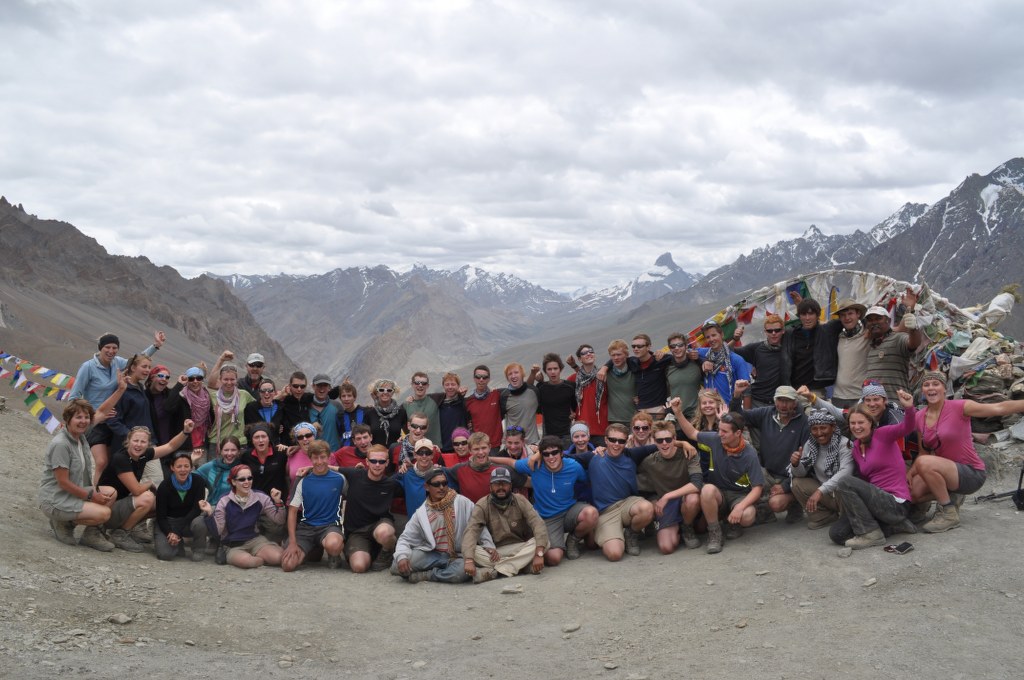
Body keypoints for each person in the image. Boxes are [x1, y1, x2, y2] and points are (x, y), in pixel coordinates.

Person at [907, 371, 1017, 533]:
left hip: (971, 473)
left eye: (936, 384)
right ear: (922, 390)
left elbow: (998, 407)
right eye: (926, 385)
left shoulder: (960, 407)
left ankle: (948, 513)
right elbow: (923, 452)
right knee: (913, 493)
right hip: (944, 471)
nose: (931, 388)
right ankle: (949, 494)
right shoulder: (919, 416)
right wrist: (911, 473)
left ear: (945, 389)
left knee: (924, 463)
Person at [828, 389, 919, 549]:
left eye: (861, 422)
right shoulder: (856, 447)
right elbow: (864, 483)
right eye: (853, 423)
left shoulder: (883, 435)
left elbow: (908, 427)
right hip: (876, 503)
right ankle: (894, 526)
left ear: (870, 422)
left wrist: (909, 408)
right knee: (837, 534)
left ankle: (871, 534)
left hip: (895, 503)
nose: (857, 427)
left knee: (845, 482)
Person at [69, 331, 164, 484]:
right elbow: (74, 396)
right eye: (107, 347)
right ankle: (95, 493)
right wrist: (88, 416)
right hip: (97, 422)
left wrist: (156, 346)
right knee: (101, 462)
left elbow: (137, 361)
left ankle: (107, 491)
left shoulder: (117, 363)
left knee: (112, 463)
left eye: (114, 348)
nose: (111, 351)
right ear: (100, 348)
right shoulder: (88, 367)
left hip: (113, 419)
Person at [558, 423, 659, 560]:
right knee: (614, 554)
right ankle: (573, 539)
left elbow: (660, 444)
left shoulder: (631, 454)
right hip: (605, 511)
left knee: (646, 508)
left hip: (627, 504)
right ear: (605, 440)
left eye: (621, 441)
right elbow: (561, 457)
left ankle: (631, 534)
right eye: (612, 440)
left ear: (626, 442)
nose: (616, 444)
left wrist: (683, 444)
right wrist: (537, 455)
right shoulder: (593, 457)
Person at [674, 404, 764, 554]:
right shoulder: (715, 439)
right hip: (718, 494)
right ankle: (715, 533)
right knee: (707, 490)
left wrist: (740, 507)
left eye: (724, 431)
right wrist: (678, 412)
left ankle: (735, 524)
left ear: (738, 433)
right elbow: (692, 433)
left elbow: (757, 489)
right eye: (719, 430)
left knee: (747, 516)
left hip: (739, 496)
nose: (720, 434)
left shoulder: (750, 454)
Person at [97, 420, 195, 552]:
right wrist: (150, 483)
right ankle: (120, 534)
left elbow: (170, 446)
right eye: (135, 440)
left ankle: (130, 528)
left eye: (143, 442)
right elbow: (136, 491)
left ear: (148, 444)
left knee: (159, 503)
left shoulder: (144, 455)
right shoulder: (121, 458)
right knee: (147, 497)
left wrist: (185, 432)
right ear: (128, 441)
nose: (138, 445)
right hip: (105, 509)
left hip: (119, 506)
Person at [38, 399, 118, 551]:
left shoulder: (80, 436)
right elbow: (63, 482)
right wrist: (91, 496)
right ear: (68, 419)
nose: (83, 421)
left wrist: (121, 389)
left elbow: (101, 412)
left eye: (86, 417)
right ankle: (62, 523)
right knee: (104, 513)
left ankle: (90, 535)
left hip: (73, 492)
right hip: (56, 498)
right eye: (78, 417)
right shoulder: (61, 444)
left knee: (111, 493)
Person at [392, 467, 491, 584]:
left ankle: (426, 575)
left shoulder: (462, 502)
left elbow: (478, 524)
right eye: (436, 484)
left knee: (460, 573)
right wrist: (402, 557)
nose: (441, 487)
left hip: (457, 555)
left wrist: (488, 545)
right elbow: (405, 538)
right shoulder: (421, 513)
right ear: (426, 487)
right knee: (396, 565)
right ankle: (441, 570)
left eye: (444, 483)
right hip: (433, 554)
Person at [513, 436, 598, 565]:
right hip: (548, 518)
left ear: (561, 453)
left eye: (555, 452)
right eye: (546, 454)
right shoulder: (535, 464)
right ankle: (554, 541)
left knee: (591, 514)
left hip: (569, 510)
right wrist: (488, 459)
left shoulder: (573, 466)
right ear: (541, 455)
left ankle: (573, 540)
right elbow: (511, 463)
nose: (551, 456)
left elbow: (586, 480)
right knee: (554, 558)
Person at [732, 383, 810, 523]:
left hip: (791, 476)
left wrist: (785, 486)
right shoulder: (766, 413)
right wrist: (737, 395)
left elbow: (807, 461)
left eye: (788, 401)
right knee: (746, 472)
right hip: (767, 472)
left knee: (776, 503)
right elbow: (737, 418)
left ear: (795, 403)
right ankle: (764, 510)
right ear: (774, 400)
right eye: (780, 400)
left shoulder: (804, 422)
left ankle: (796, 502)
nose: (783, 405)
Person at [462, 468, 548, 583]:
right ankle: (521, 566)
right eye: (497, 484)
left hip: (520, 548)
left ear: (510, 486)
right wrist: (469, 560)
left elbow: (537, 523)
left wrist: (539, 554)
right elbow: (471, 531)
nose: (501, 487)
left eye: (504, 484)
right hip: (495, 552)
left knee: (544, 543)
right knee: (473, 551)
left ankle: (497, 571)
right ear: (490, 487)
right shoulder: (482, 505)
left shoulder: (520, 500)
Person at [638, 421, 703, 554]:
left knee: (692, 499)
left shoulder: (688, 453)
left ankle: (687, 527)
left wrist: (667, 496)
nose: (664, 443)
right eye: (659, 440)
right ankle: (676, 529)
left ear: (674, 439)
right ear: (654, 441)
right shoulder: (649, 462)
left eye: (668, 439)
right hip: (667, 506)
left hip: (685, 499)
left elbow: (697, 484)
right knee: (666, 547)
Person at [281, 441, 346, 571]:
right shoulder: (302, 480)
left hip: (330, 526)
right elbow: (292, 511)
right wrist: (293, 543)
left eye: (323, 457)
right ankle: (312, 548)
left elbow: (349, 499)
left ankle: (334, 555)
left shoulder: (340, 479)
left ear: (329, 457)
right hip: (307, 528)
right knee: (288, 565)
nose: (319, 462)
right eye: (315, 458)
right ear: (310, 458)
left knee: (333, 545)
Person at [337, 444, 400, 573]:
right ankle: (368, 552)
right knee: (359, 566)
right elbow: (329, 468)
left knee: (385, 532)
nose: (377, 465)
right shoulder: (355, 474)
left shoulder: (391, 483)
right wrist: (308, 468)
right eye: (373, 461)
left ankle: (387, 552)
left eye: (381, 461)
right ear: (367, 461)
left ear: (387, 463)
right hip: (357, 532)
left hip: (379, 525)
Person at [210, 463, 286, 569]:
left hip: (255, 540)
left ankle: (264, 554)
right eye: (242, 479)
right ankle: (260, 559)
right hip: (233, 545)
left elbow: (279, 520)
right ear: (233, 482)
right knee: (247, 562)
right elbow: (218, 531)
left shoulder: (260, 497)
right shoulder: (224, 501)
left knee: (278, 557)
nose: (247, 482)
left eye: (250, 478)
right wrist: (210, 513)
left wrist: (278, 502)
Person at [789, 410, 854, 529]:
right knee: (797, 483)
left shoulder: (845, 444)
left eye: (823, 428)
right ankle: (823, 517)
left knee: (842, 484)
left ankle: (847, 519)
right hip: (826, 493)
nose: (819, 433)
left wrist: (820, 491)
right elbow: (801, 474)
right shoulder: (810, 444)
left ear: (833, 427)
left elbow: (845, 473)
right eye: (814, 429)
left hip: (842, 494)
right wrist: (796, 464)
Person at [864, 295, 924, 400]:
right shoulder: (871, 344)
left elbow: (914, 343)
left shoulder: (897, 338)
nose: (874, 322)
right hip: (874, 404)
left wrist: (914, 328)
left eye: (878, 318)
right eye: (870, 320)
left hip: (896, 402)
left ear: (888, 320)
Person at [153, 452, 210, 561]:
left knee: (200, 522)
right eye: (179, 466)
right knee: (165, 555)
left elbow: (196, 510)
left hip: (189, 520)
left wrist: (177, 532)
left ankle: (199, 549)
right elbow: (161, 516)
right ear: (172, 468)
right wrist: (170, 532)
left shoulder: (198, 481)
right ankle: (177, 544)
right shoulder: (164, 486)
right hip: (169, 522)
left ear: (191, 467)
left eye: (186, 466)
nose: (183, 470)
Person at [238, 423, 289, 534]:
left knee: (276, 531)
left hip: (275, 502)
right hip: (253, 502)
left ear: (269, 438)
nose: (260, 440)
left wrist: (291, 448)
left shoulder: (281, 453)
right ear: (252, 440)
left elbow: (301, 453)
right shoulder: (246, 456)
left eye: (263, 436)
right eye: (256, 437)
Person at [734, 315, 789, 409]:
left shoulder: (790, 349)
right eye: (769, 331)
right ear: (765, 332)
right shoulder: (756, 348)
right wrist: (735, 339)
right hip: (758, 401)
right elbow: (727, 351)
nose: (773, 333)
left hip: (782, 402)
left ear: (783, 331)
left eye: (777, 330)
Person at [448, 432, 522, 503]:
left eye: (483, 448)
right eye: (476, 449)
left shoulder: (504, 470)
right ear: (470, 450)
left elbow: (528, 482)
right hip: (470, 511)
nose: (480, 452)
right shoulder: (459, 469)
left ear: (489, 447)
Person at [696, 321, 751, 405]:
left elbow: (747, 390)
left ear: (721, 334)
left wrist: (746, 412)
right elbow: (686, 352)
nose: (711, 339)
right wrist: (703, 361)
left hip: (730, 408)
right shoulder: (704, 353)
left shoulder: (736, 360)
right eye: (708, 337)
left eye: (714, 335)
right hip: (709, 408)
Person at [207, 363, 255, 457]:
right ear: (220, 380)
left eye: (232, 379)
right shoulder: (212, 397)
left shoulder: (244, 395)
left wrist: (278, 398)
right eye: (225, 379)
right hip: (217, 443)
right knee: (215, 467)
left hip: (239, 442)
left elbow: (259, 406)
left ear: (236, 380)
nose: (229, 382)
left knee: (240, 467)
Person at [393, 439, 451, 516]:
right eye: (420, 453)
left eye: (428, 453)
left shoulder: (442, 473)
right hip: (415, 521)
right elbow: (387, 485)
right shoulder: (406, 473)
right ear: (415, 455)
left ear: (432, 455)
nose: (424, 456)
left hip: (438, 521)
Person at [529, 353, 576, 444]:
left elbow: (577, 408)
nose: (553, 372)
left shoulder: (570, 386)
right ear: (545, 371)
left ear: (560, 369)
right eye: (549, 369)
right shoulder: (541, 387)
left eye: (555, 368)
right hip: (548, 435)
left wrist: (574, 413)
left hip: (567, 434)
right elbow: (527, 389)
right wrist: (533, 374)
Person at [565, 344, 608, 445]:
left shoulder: (604, 376)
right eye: (584, 353)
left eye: (591, 351)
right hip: (581, 431)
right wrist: (570, 411)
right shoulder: (573, 379)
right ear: (580, 359)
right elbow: (565, 399)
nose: (589, 354)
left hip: (601, 429)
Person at [179, 366, 215, 464]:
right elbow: (168, 407)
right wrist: (179, 384)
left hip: (201, 445)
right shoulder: (181, 396)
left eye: (199, 378)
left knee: (201, 473)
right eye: (191, 379)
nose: (195, 381)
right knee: (184, 472)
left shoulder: (206, 397)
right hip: (184, 446)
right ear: (187, 380)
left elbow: (212, 418)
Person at [465, 365, 504, 453]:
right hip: (477, 447)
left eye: (484, 377)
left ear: (488, 379)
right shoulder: (468, 401)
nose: (481, 379)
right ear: (474, 379)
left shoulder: (496, 395)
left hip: (495, 446)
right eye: (478, 377)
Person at [664, 332, 703, 421]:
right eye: (673, 346)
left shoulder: (697, 364)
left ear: (686, 346)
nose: (677, 348)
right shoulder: (667, 367)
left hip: (696, 416)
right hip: (676, 416)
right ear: (670, 349)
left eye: (680, 345)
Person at [500, 363, 539, 444]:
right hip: (511, 444)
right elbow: (497, 418)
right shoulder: (504, 396)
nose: (513, 376)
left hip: (531, 442)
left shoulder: (534, 392)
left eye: (516, 372)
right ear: (507, 378)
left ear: (522, 375)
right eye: (510, 374)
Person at [601, 339, 637, 427]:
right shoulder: (605, 373)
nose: (616, 358)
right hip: (614, 420)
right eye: (613, 355)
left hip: (635, 418)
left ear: (626, 354)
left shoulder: (635, 370)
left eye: (619, 354)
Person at [365, 378, 407, 448]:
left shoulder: (401, 412)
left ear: (393, 393)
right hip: (375, 452)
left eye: (389, 390)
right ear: (377, 392)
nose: (385, 392)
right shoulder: (369, 412)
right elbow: (365, 435)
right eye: (381, 390)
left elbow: (407, 433)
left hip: (395, 451)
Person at [404, 372, 442, 444]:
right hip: (413, 447)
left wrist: (460, 392)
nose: (420, 385)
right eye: (417, 383)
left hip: (434, 447)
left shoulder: (436, 399)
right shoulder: (406, 405)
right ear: (412, 385)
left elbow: (452, 393)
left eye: (424, 383)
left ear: (427, 386)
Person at [243, 378, 284, 443]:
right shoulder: (250, 408)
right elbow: (247, 430)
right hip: (257, 445)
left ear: (274, 392)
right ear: (259, 392)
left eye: (270, 390)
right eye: (263, 391)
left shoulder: (281, 407)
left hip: (275, 445)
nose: (266, 393)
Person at [308, 373, 342, 451]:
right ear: (313, 386)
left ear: (329, 388)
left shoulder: (337, 406)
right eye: (319, 385)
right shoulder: (306, 408)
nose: (322, 389)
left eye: (325, 385)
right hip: (313, 454)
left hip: (334, 453)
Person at [285, 422, 319, 491]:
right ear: (297, 440)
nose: (305, 439)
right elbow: (286, 477)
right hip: (296, 497)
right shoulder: (291, 455)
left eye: (308, 435)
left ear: (314, 436)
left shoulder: (326, 454)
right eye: (300, 437)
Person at [336, 381, 367, 448]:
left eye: (349, 396)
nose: (346, 399)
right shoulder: (339, 416)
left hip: (363, 449)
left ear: (354, 397)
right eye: (343, 396)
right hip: (346, 451)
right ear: (340, 398)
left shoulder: (365, 412)